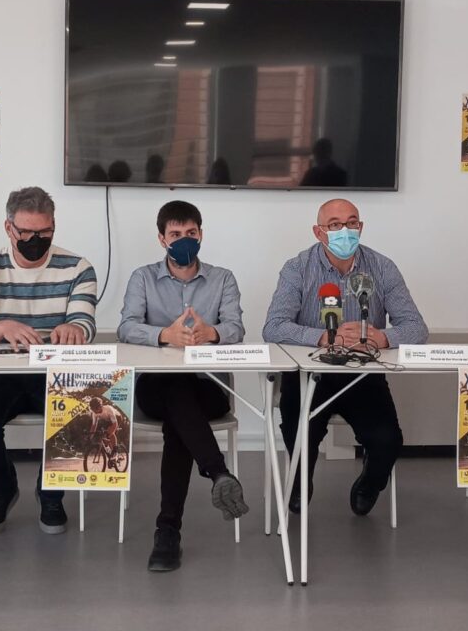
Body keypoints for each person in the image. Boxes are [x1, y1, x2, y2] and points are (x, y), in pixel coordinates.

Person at [262, 198, 428, 517]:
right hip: (309, 375)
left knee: (388, 440)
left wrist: (383, 337)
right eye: (335, 225)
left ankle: (369, 483)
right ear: (319, 232)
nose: (345, 231)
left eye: (352, 223)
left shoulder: (382, 267)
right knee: (300, 432)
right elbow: (274, 326)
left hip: (362, 374)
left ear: (360, 228)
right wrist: (324, 337)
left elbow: (416, 327)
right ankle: (299, 480)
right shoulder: (297, 268)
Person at [0, 187, 97, 535]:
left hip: (56, 372)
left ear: (54, 226)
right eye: (27, 233)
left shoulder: (78, 267)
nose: (36, 240)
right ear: (9, 228)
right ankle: (0, 491)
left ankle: (52, 495)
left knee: (85, 409)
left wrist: (74, 329)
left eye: (44, 233)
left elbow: (85, 324)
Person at [118, 200, 249, 572]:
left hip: (209, 388)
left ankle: (168, 531)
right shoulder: (142, 278)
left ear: (201, 235)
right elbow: (126, 326)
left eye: (191, 233)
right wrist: (165, 335)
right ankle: (216, 472)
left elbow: (236, 328)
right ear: (162, 239)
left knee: (181, 415)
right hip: (153, 390)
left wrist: (212, 332)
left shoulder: (223, 278)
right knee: (175, 394)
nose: (184, 240)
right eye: (175, 234)